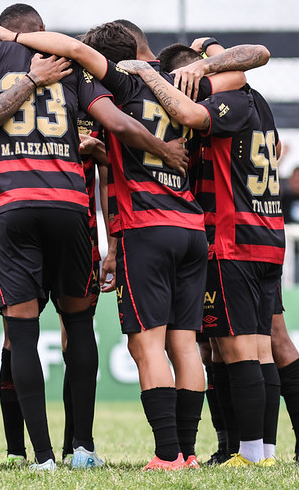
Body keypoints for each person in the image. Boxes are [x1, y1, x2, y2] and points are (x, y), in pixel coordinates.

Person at [0, 2, 188, 470]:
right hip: (70, 208)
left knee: (22, 335)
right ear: (40, 34)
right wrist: (164, 151)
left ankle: (42, 456)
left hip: (9, 207)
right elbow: (116, 123)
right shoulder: (71, 62)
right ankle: (82, 448)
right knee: (78, 326)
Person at [0, 21, 255, 471]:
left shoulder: (122, 81)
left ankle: (166, 454)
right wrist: (208, 53)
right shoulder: (186, 82)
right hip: (192, 227)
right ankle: (188, 452)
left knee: (146, 347)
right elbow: (250, 62)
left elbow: (72, 49)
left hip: (146, 227)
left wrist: (12, 37)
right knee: (185, 345)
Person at [121, 46, 285, 467]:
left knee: (238, 350)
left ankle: (250, 453)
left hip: (234, 238)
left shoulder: (228, 98)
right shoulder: (257, 104)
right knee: (257, 348)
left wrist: (151, 71)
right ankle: (262, 449)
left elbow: (194, 114)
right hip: (265, 233)